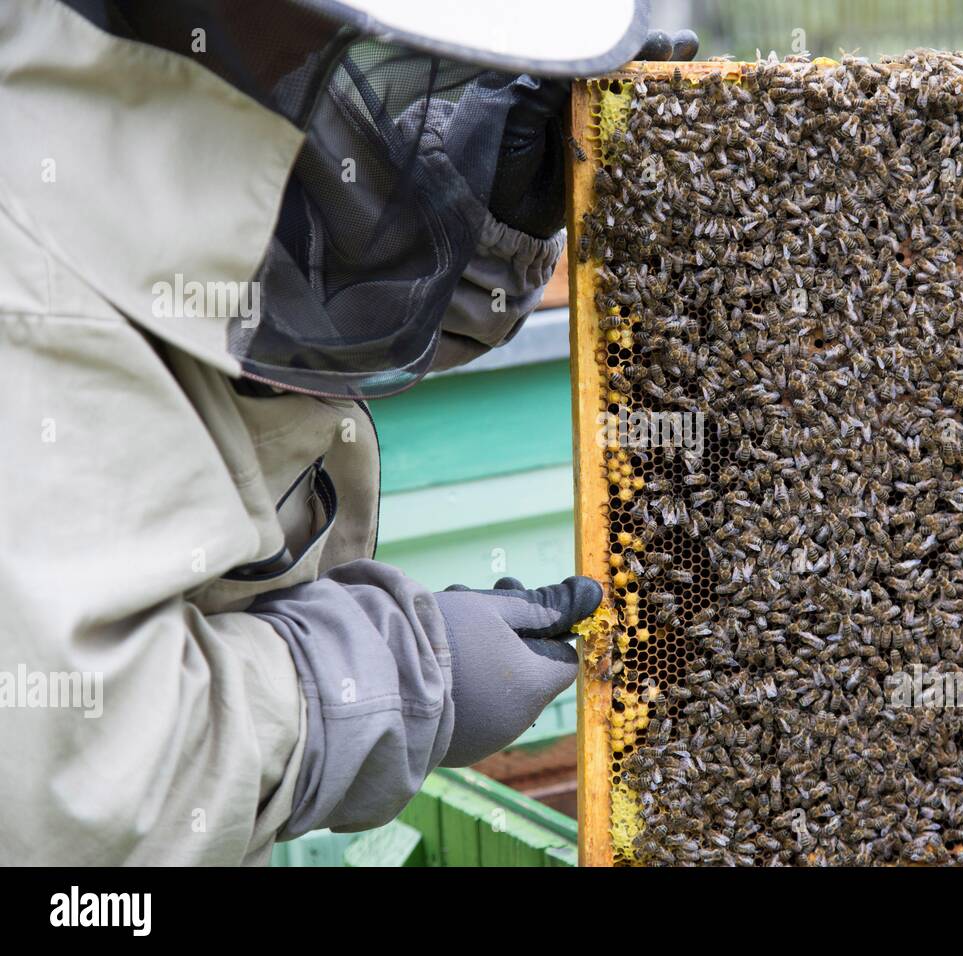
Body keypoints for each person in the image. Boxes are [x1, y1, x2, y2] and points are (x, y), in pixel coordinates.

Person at [0, 0, 695, 865]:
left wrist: (494, 217)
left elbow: (278, 321)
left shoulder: (162, 93)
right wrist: (408, 679)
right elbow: (80, 789)